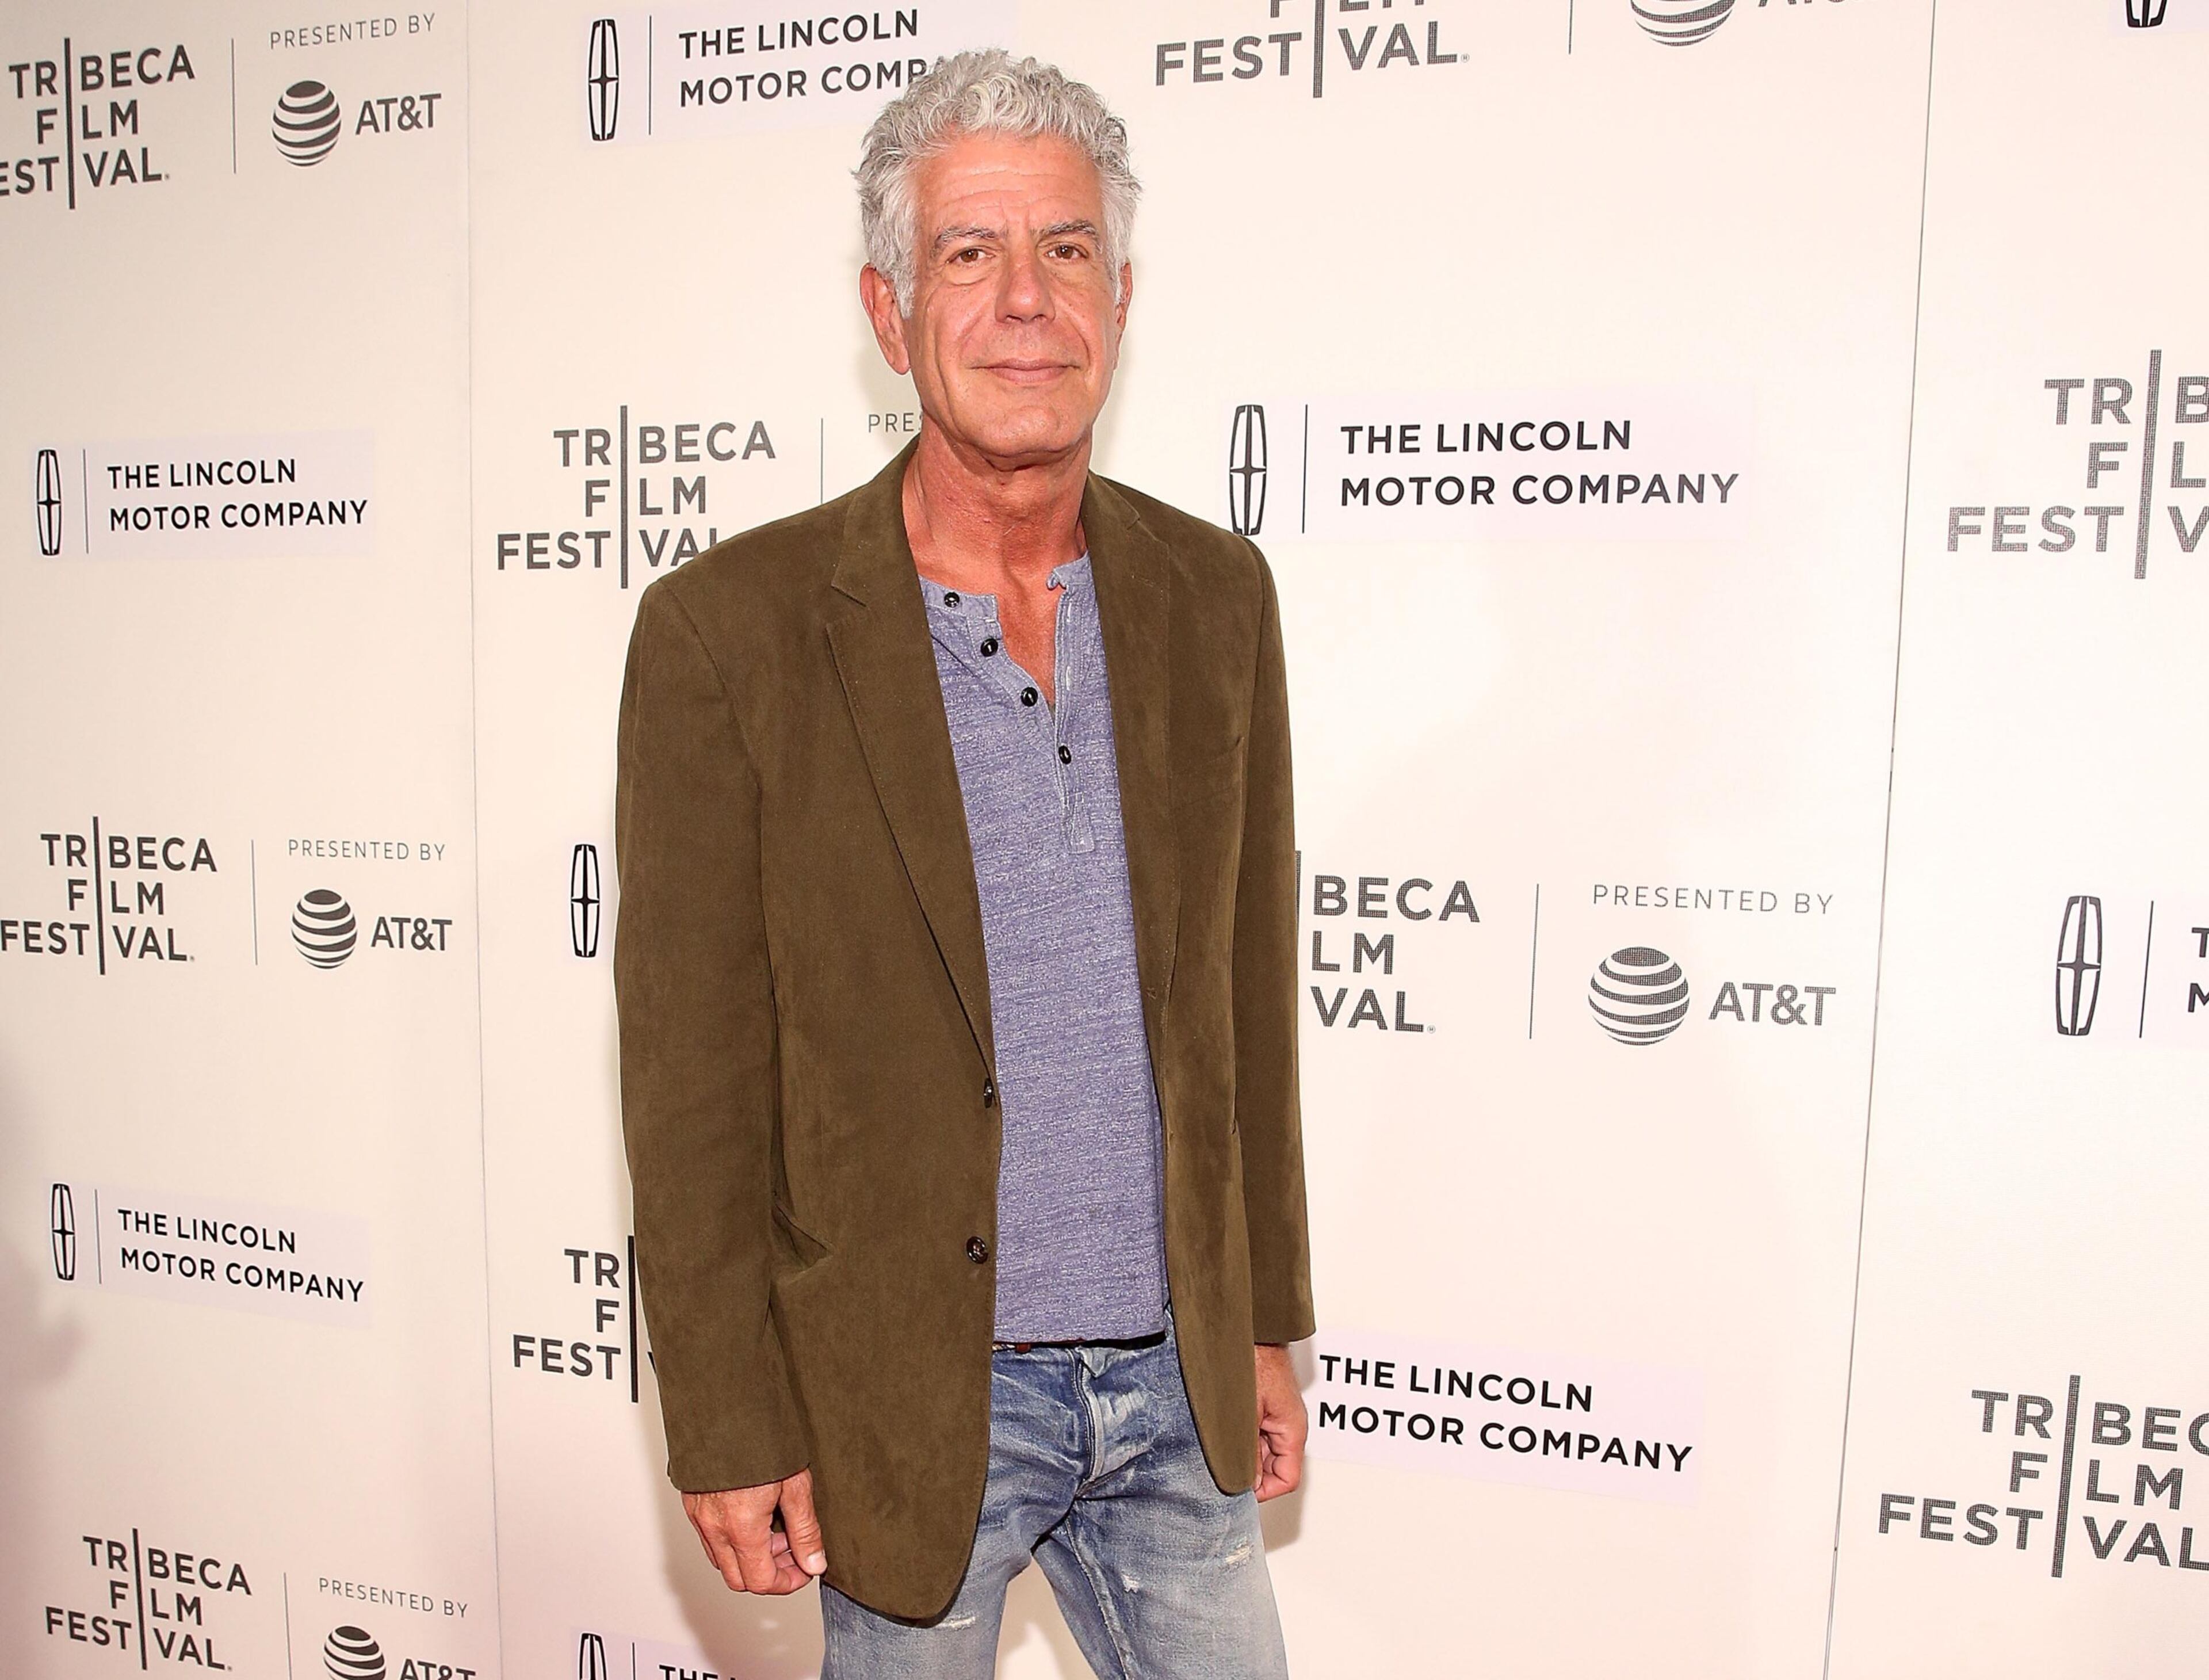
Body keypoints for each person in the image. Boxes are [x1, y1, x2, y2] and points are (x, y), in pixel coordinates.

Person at [613, 48, 1313, 1679]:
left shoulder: (1219, 598)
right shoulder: (733, 634)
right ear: (888, 310)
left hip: (1174, 1386)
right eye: (969, 253)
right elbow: (691, 1075)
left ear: (1121, 298)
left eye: (1066, 251)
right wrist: (726, 1415)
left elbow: (1244, 1000)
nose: (1024, 301)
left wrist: (1266, 1315)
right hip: (911, 1397)